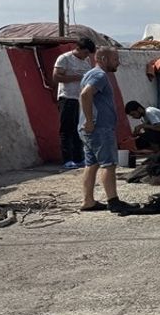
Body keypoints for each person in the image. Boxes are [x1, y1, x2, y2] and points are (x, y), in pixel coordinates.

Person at [78, 47, 133, 213]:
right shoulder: (99, 75)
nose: (118, 62)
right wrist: (89, 120)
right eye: (115, 59)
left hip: (91, 129)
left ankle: (88, 200)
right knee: (108, 164)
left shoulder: (91, 74)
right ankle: (113, 201)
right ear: (102, 58)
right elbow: (85, 95)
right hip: (99, 128)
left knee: (91, 164)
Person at [52, 38, 96, 169]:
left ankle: (79, 157)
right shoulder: (64, 59)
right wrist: (77, 78)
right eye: (86, 52)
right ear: (79, 49)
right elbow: (56, 77)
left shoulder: (86, 61)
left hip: (82, 99)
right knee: (67, 129)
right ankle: (67, 159)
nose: (86, 56)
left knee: (80, 129)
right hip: (68, 97)